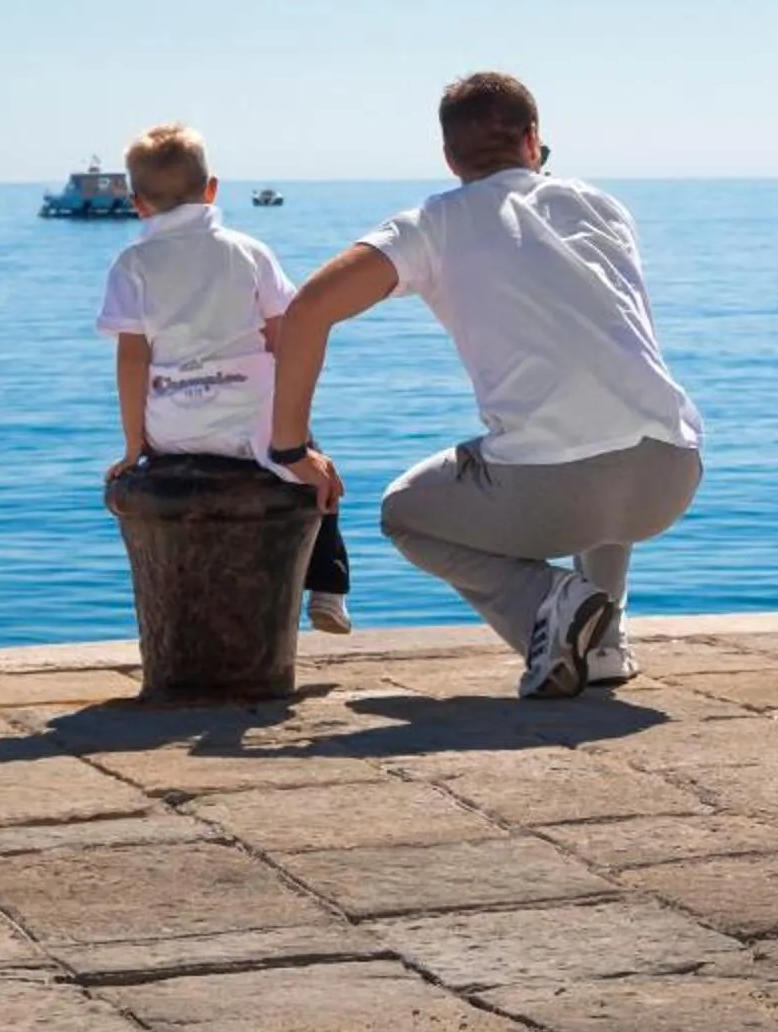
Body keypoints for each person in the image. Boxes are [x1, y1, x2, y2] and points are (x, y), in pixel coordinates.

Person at [268, 73, 702, 700]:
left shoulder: (433, 224)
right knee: (601, 412)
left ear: (448, 157)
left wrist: (290, 449)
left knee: (405, 513)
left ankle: (547, 606)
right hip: (671, 473)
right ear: (534, 141)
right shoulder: (603, 207)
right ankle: (605, 645)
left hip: (559, 488)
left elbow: (308, 309)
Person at [97, 124, 352, 633]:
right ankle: (328, 587)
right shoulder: (249, 252)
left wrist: (133, 445)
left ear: (137, 203)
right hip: (252, 426)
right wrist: (294, 433)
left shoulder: (132, 264)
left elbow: (131, 360)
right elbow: (285, 341)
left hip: (173, 429)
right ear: (212, 188)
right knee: (317, 474)